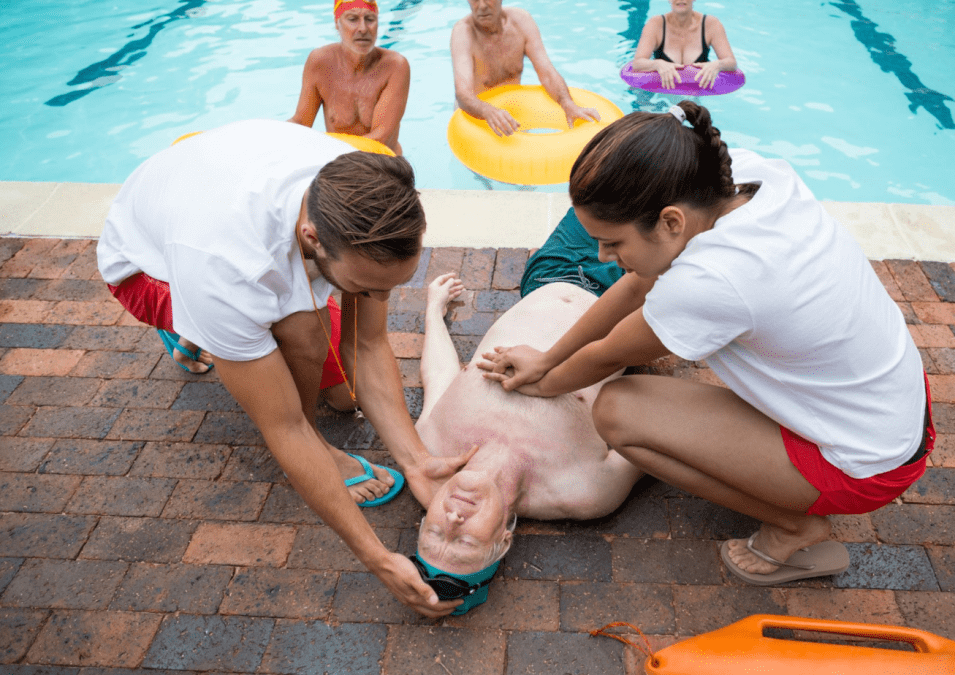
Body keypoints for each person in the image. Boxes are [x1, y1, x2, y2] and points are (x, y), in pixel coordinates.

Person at [480, 101, 935, 586]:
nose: (601, 255)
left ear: (672, 222)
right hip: (894, 411)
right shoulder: (743, 178)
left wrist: (543, 381)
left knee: (618, 413)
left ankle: (795, 526)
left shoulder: (714, 280)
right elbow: (640, 283)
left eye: (613, 243)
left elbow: (609, 354)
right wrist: (548, 356)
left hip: (863, 466)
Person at [97, 119, 471, 616]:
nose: (380, 299)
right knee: (304, 336)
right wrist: (377, 557)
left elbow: (368, 339)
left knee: (342, 395)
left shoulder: (362, 189)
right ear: (312, 238)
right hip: (149, 268)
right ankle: (192, 324)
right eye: (366, 287)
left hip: (214, 206)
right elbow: (285, 426)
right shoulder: (225, 267)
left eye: (392, 285)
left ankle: (228, 330)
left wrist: (416, 459)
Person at [407, 213, 641, 614]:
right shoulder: (583, 492)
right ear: (503, 540)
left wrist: (433, 309)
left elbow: (439, 374)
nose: (453, 518)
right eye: (464, 542)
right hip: (632, 296)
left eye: (433, 530)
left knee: (617, 174)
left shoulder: (431, 447)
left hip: (551, 274)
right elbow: (659, 437)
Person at [450, 0, 600, 137]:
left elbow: (547, 72)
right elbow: (463, 94)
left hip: (514, 113)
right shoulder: (463, 34)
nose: (482, 6)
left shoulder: (521, 22)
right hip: (477, 118)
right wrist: (488, 111)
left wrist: (567, 103)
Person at [289, 0, 410, 155]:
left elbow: (380, 138)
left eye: (370, 19)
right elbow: (301, 123)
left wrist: (321, 147)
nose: (363, 28)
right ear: (337, 23)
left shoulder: (395, 66)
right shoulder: (320, 62)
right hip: (341, 165)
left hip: (383, 166)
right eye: (352, 19)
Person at [631, 0, 737, 91]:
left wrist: (718, 65)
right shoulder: (655, 24)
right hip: (659, 90)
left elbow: (731, 62)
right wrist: (657, 64)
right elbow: (637, 63)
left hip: (696, 91)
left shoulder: (710, 24)